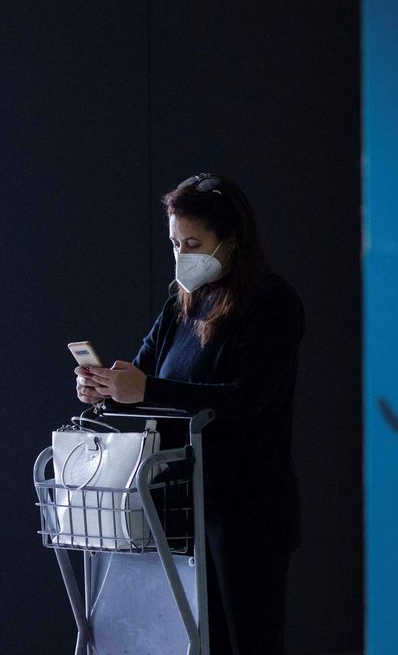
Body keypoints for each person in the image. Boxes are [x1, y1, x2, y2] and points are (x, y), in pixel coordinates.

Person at [74, 172, 304, 654]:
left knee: (249, 643)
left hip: (247, 511)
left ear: (232, 240)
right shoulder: (182, 305)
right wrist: (105, 389)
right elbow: (143, 380)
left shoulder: (273, 303)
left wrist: (145, 388)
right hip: (184, 508)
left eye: (194, 243)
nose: (182, 255)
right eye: (176, 243)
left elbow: (245, 398)